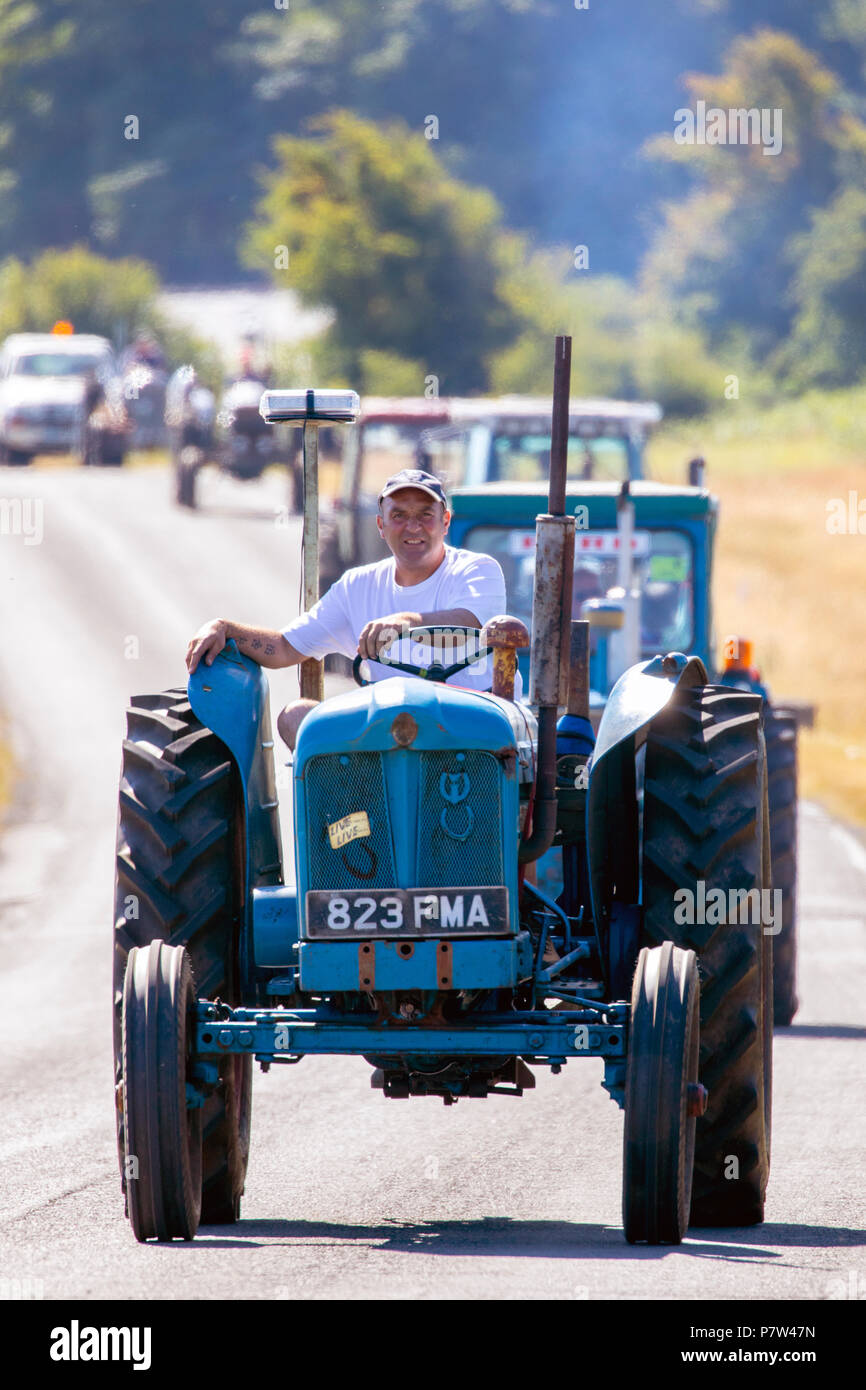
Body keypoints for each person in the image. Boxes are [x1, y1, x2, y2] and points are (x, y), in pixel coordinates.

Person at [186, 469, 510, 749]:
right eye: (399, 516)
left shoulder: (476, 570)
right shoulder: (358, 586)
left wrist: (406, 622)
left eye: (425, 514)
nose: (413, 527)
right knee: (297, 716)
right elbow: (284, 647)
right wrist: (224, 629)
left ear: (445, 522)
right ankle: (351, 816)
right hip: (390, 737)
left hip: (472, 729)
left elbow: (477, 626)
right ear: (381, 525)